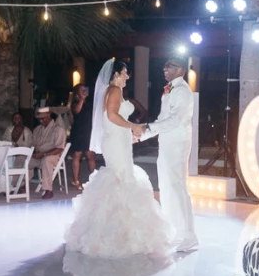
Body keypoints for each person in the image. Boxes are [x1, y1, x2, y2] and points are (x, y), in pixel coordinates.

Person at [66, 59, 172, 258]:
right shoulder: (114, 91)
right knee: (121, 178)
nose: (127, 77)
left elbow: (113, 119)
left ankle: (122, 230)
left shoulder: (115, 91)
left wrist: (128, 133)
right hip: (115, 142)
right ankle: (117, 234)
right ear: (115, 74)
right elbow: (112, 116)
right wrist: (132, 126)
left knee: (122, 177)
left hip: (118, 139)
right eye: (124, 73)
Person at [136, 57, 198, 252]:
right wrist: (143, 135)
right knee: (166, 186)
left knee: (177, 187)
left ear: (180, 70)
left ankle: (189, 236)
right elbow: (163, 118)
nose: (165, 69)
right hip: (167, 142)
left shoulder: (183, 91)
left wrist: (146, 128)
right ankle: (175, 231)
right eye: (165, 65)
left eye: (170, 66)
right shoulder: (171, 89)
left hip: (178, 144)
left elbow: (174, 121)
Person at [29, 107, 67, 200]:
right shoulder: (37, 129)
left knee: (46, 160)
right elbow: (33, 145)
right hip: (39, 156)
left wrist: (43, 154)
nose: (41, 121)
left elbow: (59, 149)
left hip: (53, 157)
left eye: (43, 118)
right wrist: (33, 153)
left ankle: (48, 190)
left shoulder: (58, 129)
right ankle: (19, 185)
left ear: (49, 116)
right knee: (23, 159)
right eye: (39, 119)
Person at [69, 84, 95, 191]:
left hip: (88, 132)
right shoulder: (75, 103)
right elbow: (77, 111)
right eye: (81, 90)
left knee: (90, 155)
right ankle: (75, 180)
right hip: (78, 132)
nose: (84, 91)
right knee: (77, 155)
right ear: (77, 93)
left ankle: (94, 179)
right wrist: (81, 100)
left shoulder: (90, 103)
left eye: (85, 89)